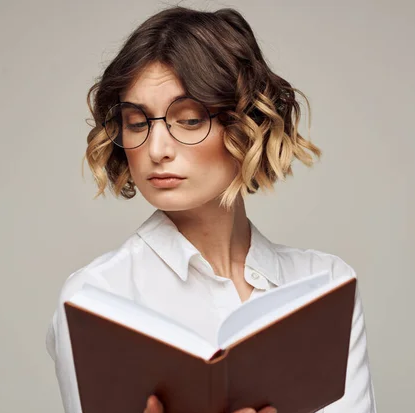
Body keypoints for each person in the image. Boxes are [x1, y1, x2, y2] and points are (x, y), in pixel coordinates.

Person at [46, 6, 377, 413]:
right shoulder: (96, 301)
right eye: (136, 123)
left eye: (188, 120)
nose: (156, 149)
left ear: (245, 124)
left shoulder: (325, 287)